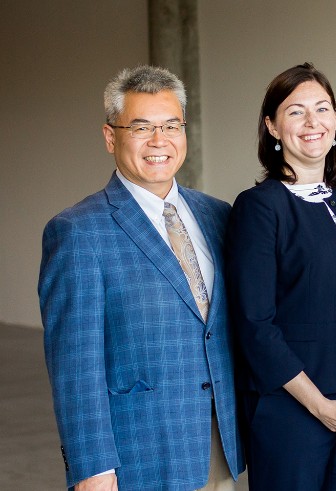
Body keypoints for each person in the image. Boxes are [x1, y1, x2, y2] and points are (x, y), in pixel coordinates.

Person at [39, 65, 244, 490]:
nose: (158, 140)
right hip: (138, 457)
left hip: (218, 445)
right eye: (141, 127)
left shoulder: (218, 215)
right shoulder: (79, 231)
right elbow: (75, 367)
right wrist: (92, 469)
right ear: (110, 136)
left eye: (171, 125)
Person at [226, 63, 336, 490]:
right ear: (272, 127)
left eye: (322, 108)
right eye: (295, 111)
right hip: (290, 406)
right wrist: (320, 406)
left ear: (335, 120)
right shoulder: (260, 207)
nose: (312, 121)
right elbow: (254, 325)